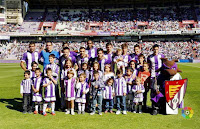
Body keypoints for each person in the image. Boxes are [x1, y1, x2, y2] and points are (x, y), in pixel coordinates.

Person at [147, 44, 165, 115]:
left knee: (161, 92)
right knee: (153, 92)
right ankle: (154, 108)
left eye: (157, 49)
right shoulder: (149, 57)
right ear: (152, 49)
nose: (155, 50)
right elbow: (148, 66)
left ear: (158, 49)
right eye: (154, 49)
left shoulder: (162, 56)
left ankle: (161, 107)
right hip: (153, 77)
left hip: (161, 76)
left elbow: (165, 65)